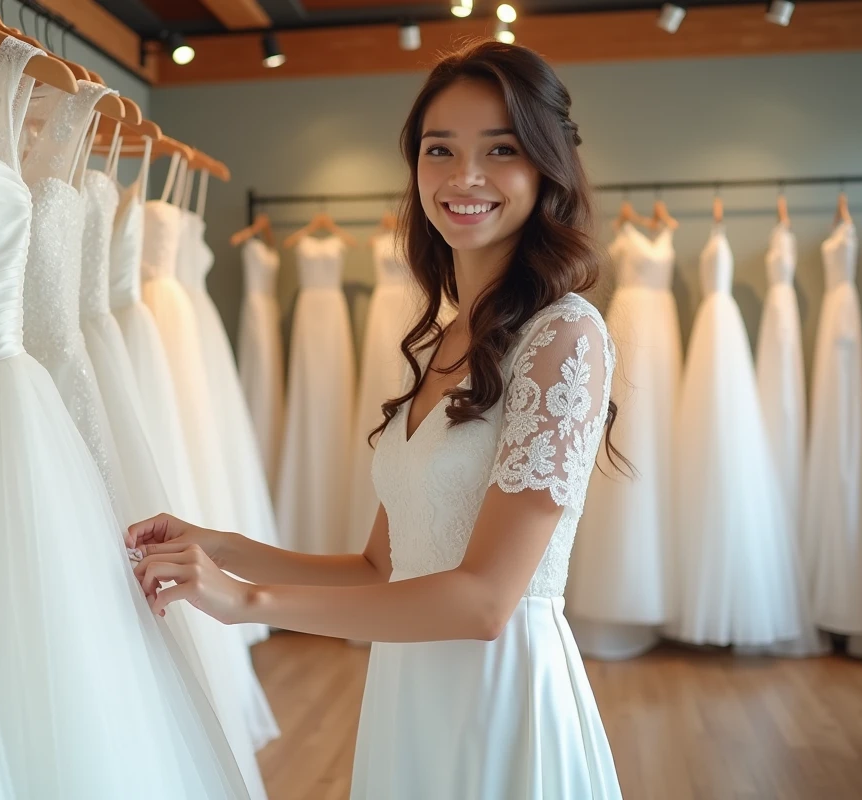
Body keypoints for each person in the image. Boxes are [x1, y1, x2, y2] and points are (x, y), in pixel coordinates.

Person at [129, 39, 624, 800]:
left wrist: (247, 604)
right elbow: (380, 569)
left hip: (500, 703)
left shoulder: (564, 335)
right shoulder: (445, 340)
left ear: (545, 167)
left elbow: (487, 601)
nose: (464, 177)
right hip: (406, 685)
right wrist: (222, 548)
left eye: (501, 150)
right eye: (440, 150)